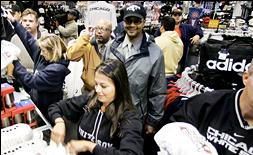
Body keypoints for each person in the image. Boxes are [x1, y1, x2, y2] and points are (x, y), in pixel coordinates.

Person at [48, 59, 144, 155]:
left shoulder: (129, 117)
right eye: (96, 84)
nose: (98, 90)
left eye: (103, 86)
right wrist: (59, 122)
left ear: (119, 86)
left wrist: (90, 146)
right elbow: (55, 107)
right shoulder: (91, 101)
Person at [103, 3, 166, 135]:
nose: (132, 25)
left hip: (135, 118)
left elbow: (158, 90)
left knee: (129, 153)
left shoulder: (154, 53)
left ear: (143, 22)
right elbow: (102, 78)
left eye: (137, 21)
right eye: (128, 20)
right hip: (109, 113)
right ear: (123, 22)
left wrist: (152, 121)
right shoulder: (111, 48)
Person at [7, 11, 70, 120]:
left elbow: (30, 80)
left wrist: (14, 60)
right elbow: (28, 40)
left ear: (53, 51)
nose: (40, 53)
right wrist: (15, 22)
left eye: (43, 51)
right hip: (36, 102)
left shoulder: (56, 70)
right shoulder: (45, 55)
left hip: (48, 111)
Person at [66, 19, 113, 94]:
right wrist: (85, 36)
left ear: (110, 32)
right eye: (97, 28)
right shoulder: (88, 44)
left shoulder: (116, 47)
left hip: (108, 91)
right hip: (89, 90)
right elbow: (71, 56)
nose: (99, 31)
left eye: (103, 29)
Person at [154, 6, 203, 73]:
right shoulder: (165, 26)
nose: (177, 16)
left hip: (181, 58)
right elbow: (155, 38)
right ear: (172, 16)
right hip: (166, 59)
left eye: (179, 15)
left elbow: (199, 30)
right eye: (175, 14)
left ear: (182, 16)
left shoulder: (186, 27)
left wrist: (197, 35)